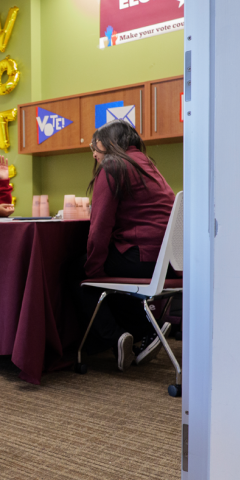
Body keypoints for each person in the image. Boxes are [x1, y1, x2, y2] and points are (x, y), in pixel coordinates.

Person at [75, 120, 177, 371]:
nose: (94, 153)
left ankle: (117, 336)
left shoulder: (113, 165)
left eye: (95, 145)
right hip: (170, 261)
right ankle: (145, 330)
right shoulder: (146, 163)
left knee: (79, 270)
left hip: (142, 257)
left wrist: (93, 268)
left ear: (109, 142)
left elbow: (99, 227)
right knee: (110, 276)